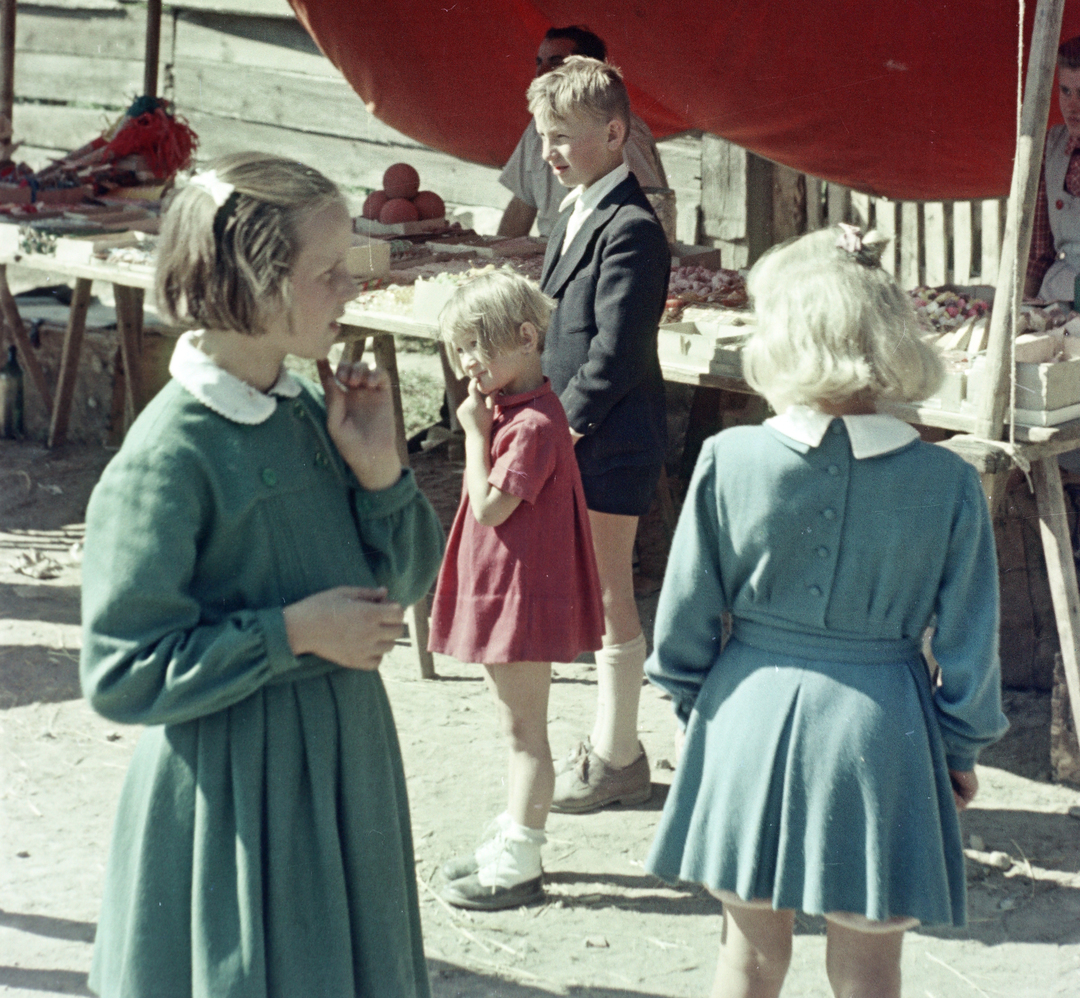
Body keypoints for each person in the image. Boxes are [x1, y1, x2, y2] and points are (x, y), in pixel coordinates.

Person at [79, 154, 445, 998]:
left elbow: (399, 590)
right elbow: (120, 672)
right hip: (235, 801)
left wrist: (382, 470)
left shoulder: (311, 413)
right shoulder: (168, 459)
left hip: (342, 773)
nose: (350, 291)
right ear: (254, 283)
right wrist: (290, 635)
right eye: (328, 273)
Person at [645, 223, 1008, 998]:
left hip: (746, 715)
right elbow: (972, 645)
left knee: (746, 960)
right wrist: (959, 746)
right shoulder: (945, 482)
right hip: (884, 731)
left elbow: (683, 619)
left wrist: (691, 709)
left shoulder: (729, 459)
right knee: (870, 972)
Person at [427, 270, 604, 909]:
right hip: (510, 591)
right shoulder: (515, 409)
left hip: (522, 599)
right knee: (514, 729)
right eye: (459, 351)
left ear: (526, 338)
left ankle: (521, 861)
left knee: (526, 732)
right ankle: (511, 833)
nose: (466, 364)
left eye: (476, 347)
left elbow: (489, 508)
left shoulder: (528, 426)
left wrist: (473, 434)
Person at [528, 56, 671, 813]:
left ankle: (619, 755)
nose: (548, 151)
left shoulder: (634, 228)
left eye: (562, 137)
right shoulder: (575, 208)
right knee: (593, 591)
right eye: (543, 135)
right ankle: (614, 749)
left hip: (608, 439)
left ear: (614, 133)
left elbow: (614, 354)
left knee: (613, 593)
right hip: (574, 433)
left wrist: (559, 427)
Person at [498, 24, 668, 238]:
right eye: (539, 62)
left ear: (585, 69)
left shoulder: (620, 132)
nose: (541, 73)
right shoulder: (537, 128)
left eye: (555, 63)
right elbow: (522, 202)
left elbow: (651, 208)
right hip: (551, 251)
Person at [1025, 32, 1080, 301]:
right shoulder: (1054, 145)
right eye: (1065, 91)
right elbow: (1038, 253)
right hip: (1058, 297)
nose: (1073, 106)